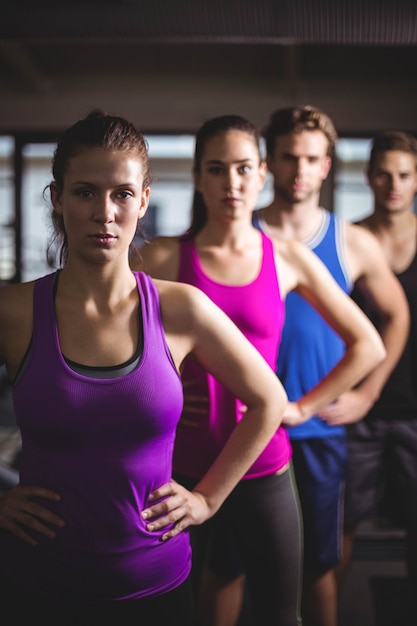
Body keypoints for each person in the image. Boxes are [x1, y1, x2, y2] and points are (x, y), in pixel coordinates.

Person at [0, 110, 291, 626]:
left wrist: (206, 500)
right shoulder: (15, 312)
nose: (105, 213)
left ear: (144, 200)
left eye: (122, 194)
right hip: (38, 583)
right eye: (85, 192)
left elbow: (269, 400)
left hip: (156, 585)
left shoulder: (182, 309)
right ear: (56, 199)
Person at [134, 114, 386, 626]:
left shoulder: (288, 257)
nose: (232, 183)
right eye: (217, 169)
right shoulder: (162, 257)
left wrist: (300, 407)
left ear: (262, 173)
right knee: (191, 604)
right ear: (198, 177)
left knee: (280, 612)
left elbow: (368, 344)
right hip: (184, 467)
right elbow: (121, 355)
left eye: (244, 168)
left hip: (264, 463)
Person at [251, 105, 410, 626]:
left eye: (312, 159)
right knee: (238, 564)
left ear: (326, 167)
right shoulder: (237, 236)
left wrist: (366, 394)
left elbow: (396, 317)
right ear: (270, 163)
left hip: (318, 431)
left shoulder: (351, 242)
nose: (300, 169)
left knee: (321, 562)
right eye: (289, 157)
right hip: (249, 429)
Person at [338, 131, 417, 597]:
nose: (393, 183)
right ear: (369, 178)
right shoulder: (350, 243)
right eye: (384, 173)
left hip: (415, 411)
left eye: (404, 175)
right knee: (340, 525)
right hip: (357, 411)